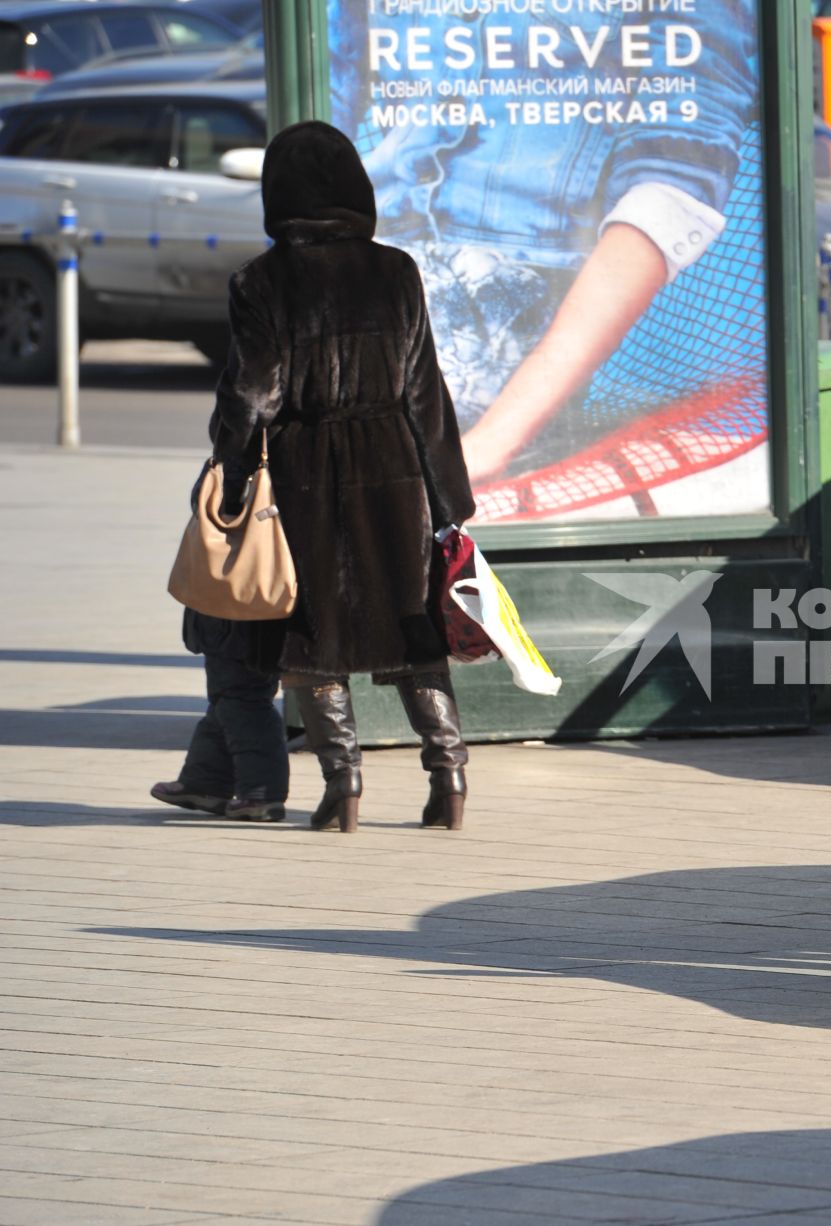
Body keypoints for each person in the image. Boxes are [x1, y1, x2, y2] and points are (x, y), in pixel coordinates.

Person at [335, 2, 762, 517]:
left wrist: (493, 440)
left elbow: (675, 174)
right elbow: (324, 87)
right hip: (366, 290)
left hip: (502, 334)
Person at [212, 122, 476, 833]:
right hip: (393, 470)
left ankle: (344, 786)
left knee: (312, 634)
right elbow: (426, 391)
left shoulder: (261, 282)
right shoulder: (396, 271)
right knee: (412, 630)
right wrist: (449, 497)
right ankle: (448, 776)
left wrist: (231, 476)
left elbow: (252, 394)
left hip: (304, 471)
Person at [150, 609, 288, 823]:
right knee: (225, 698)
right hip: (230, 610)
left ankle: (261, 795)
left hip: (246, 608)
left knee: (243, 697)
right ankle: (206, 783)